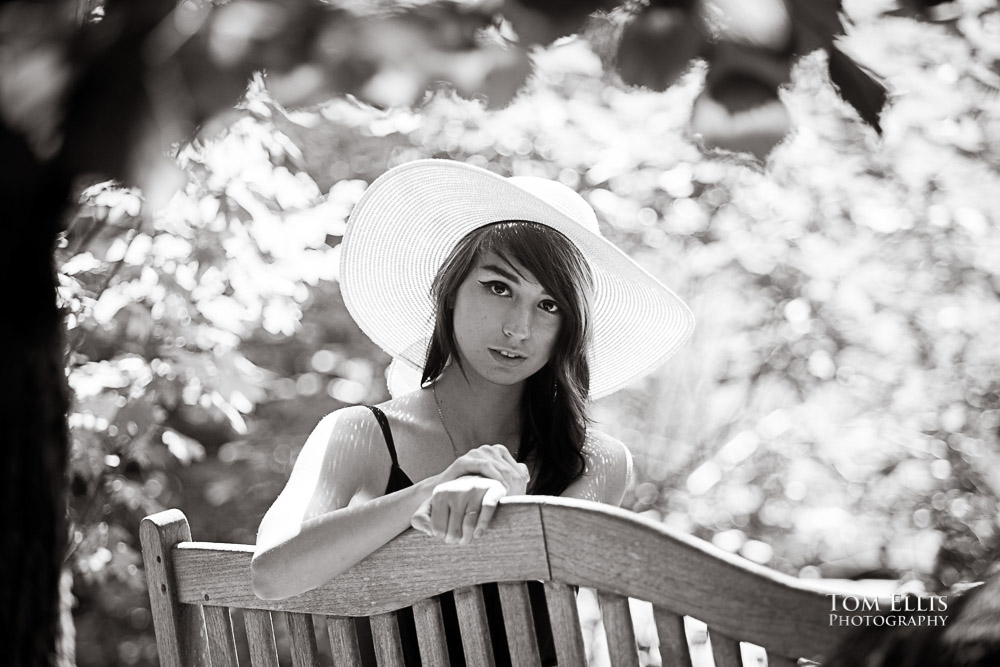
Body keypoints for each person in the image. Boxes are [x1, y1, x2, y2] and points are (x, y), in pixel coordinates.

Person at [251, 159, 695, 664]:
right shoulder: (362, 434)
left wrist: (514, 511)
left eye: (548, 306)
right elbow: (271, 572)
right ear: (450, 293)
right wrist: (432, 489)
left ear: (569, 328)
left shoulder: (593, 461)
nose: (518, 329)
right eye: (498, 287)